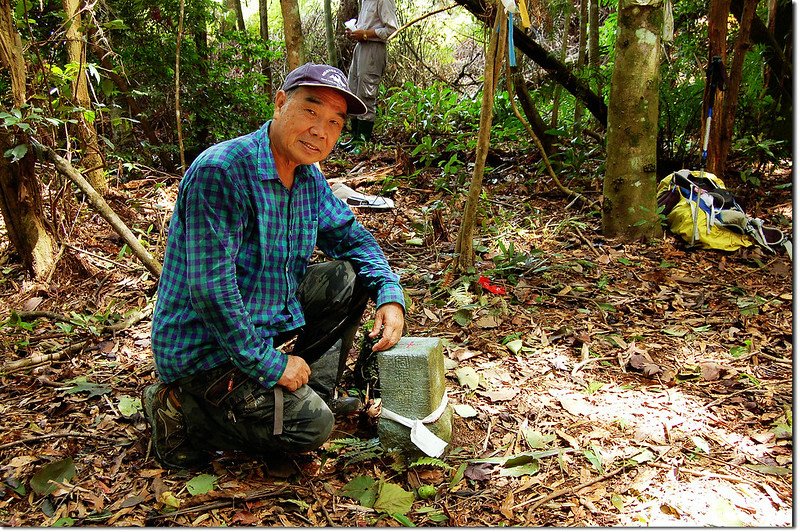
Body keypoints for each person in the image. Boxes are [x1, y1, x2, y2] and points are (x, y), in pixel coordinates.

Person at [143, 63, 406, 470]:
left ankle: (313, 390)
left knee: (348, 277)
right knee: (311, 429)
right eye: (311, 111)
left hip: (256, 327)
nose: (321, 130)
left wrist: (390, 295)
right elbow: (211, 292)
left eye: (335, 122)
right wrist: (272, 364)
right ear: (281, 103)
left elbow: (352, 239)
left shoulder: (307, 178)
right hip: (204, 349)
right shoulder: (224, 171)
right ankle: (178, 407)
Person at [340, 0, 399, 152]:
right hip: (360, 48)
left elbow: (392, 30)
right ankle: (355, 137)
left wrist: (366, 34)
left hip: (374, 49)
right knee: (353, 90)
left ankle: (363, 141)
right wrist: (355, 32)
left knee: (366, 94)